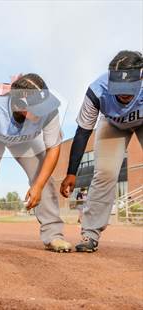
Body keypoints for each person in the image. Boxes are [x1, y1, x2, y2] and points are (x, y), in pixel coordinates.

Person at [0, 74, 72, 253]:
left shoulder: (50, 109)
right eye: (38, 108)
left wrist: (38, 186)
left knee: (44, 181)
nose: (44, 111)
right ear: (19, 105)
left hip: (25, 140)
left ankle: (54, 235)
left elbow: (53, 149)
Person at [60, 50, 142, 252]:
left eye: (129, 86)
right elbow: (82, 133)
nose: (123, 92)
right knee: (104, 172)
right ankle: (90, 233)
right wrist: (72, 172)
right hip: (112, 123)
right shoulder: (97, 91)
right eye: (118, 86)